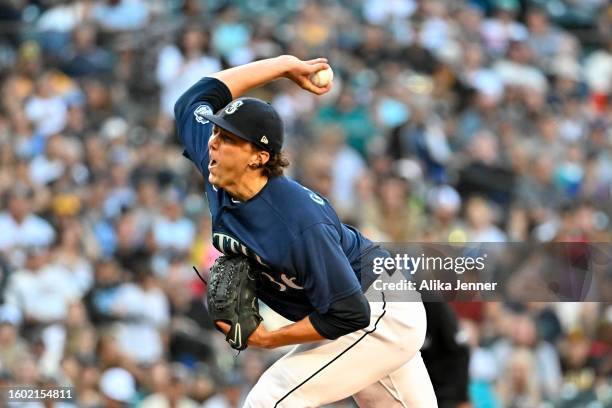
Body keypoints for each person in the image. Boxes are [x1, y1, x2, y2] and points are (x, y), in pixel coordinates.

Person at [174, 55, 437, 407]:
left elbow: (350, 312)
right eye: (216, 133)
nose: (212, 143)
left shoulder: (297, 221)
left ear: (258, 157)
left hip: (380, 311)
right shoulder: (219, 167)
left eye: (227, 138)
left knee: (271, 398)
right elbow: (194, 99)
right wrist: (283, 66)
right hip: (352, 311)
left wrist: (270, 339)